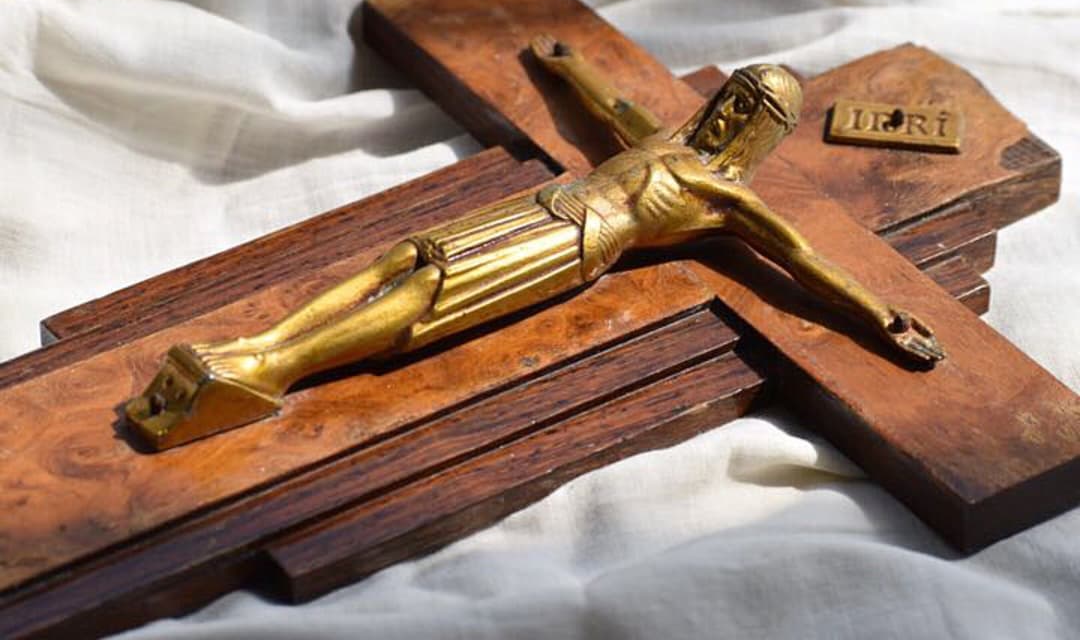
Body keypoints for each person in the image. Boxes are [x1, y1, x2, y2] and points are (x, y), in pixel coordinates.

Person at [126, 34, 943, 450]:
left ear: (763, 132)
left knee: (426, 298)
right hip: (545, 202)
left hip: (573, 244)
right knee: (401, 258)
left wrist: (881, 315)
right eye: (733, 94)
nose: (728, 111)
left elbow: (803, 259)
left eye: (749, 110)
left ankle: (276, 373)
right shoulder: (664, 140)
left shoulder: (726, 198)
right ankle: (255, 347)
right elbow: (611, 107)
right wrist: (568, 65)